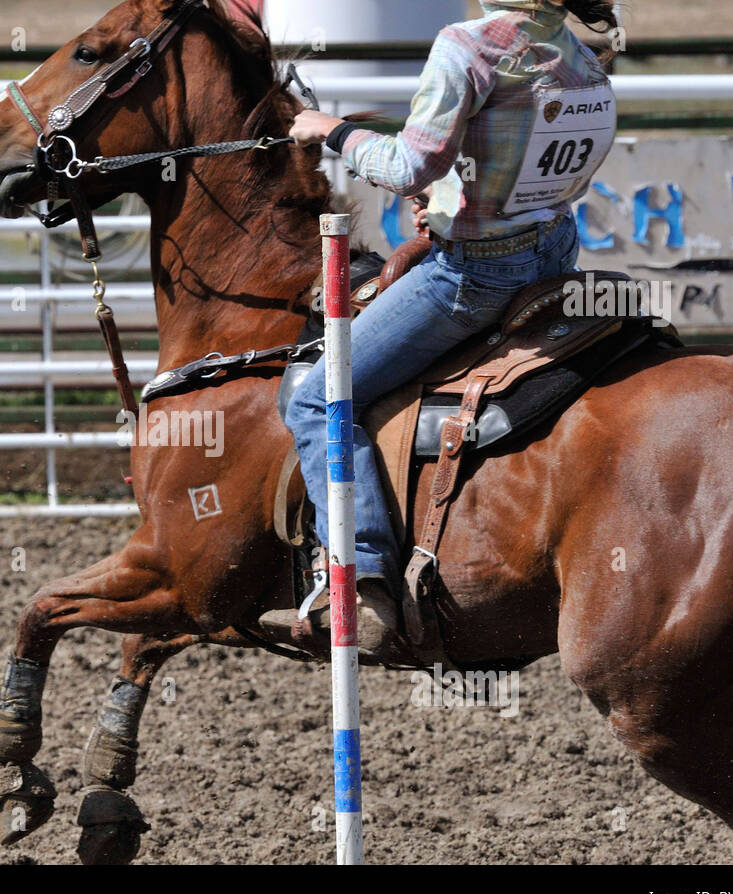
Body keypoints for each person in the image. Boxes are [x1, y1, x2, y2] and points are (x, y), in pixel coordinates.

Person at [262, 0, 620, 649]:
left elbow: (407, 168)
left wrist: (330, 130)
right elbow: (548, 166)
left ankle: (362, 576)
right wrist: (459, 190)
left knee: (319, 398)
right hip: (554, 250)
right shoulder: (577, 53)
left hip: (476, 275)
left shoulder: (468, 46)